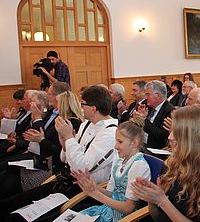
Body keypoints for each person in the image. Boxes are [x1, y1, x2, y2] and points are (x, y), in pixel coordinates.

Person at [0, 85, 117, 220]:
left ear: (93, 108)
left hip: (87, 193)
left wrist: (68, 138)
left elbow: (82, 167)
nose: (80, 107)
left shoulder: (109, 133)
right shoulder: (87, 124)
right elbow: (65, 158)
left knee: (20, 217)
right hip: (67, 181)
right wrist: (65, 143)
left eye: (82, 104)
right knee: (11, 204)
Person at [131, 105, 200, 221]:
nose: (170, 137)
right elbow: (157, 216)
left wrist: (162, 201)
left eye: (177, 132)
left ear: (193, 137)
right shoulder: (171, 165)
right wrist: (152, 198)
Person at [74, 120, 151, 222]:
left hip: (123, 218)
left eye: (120, 142)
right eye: (116, 141)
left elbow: (128, 208)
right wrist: (93, 187)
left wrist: (96, 194)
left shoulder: (139, 166)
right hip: (109, 210)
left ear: (134, 142)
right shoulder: (119, 160)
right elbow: (111, 194)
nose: (115, 146)